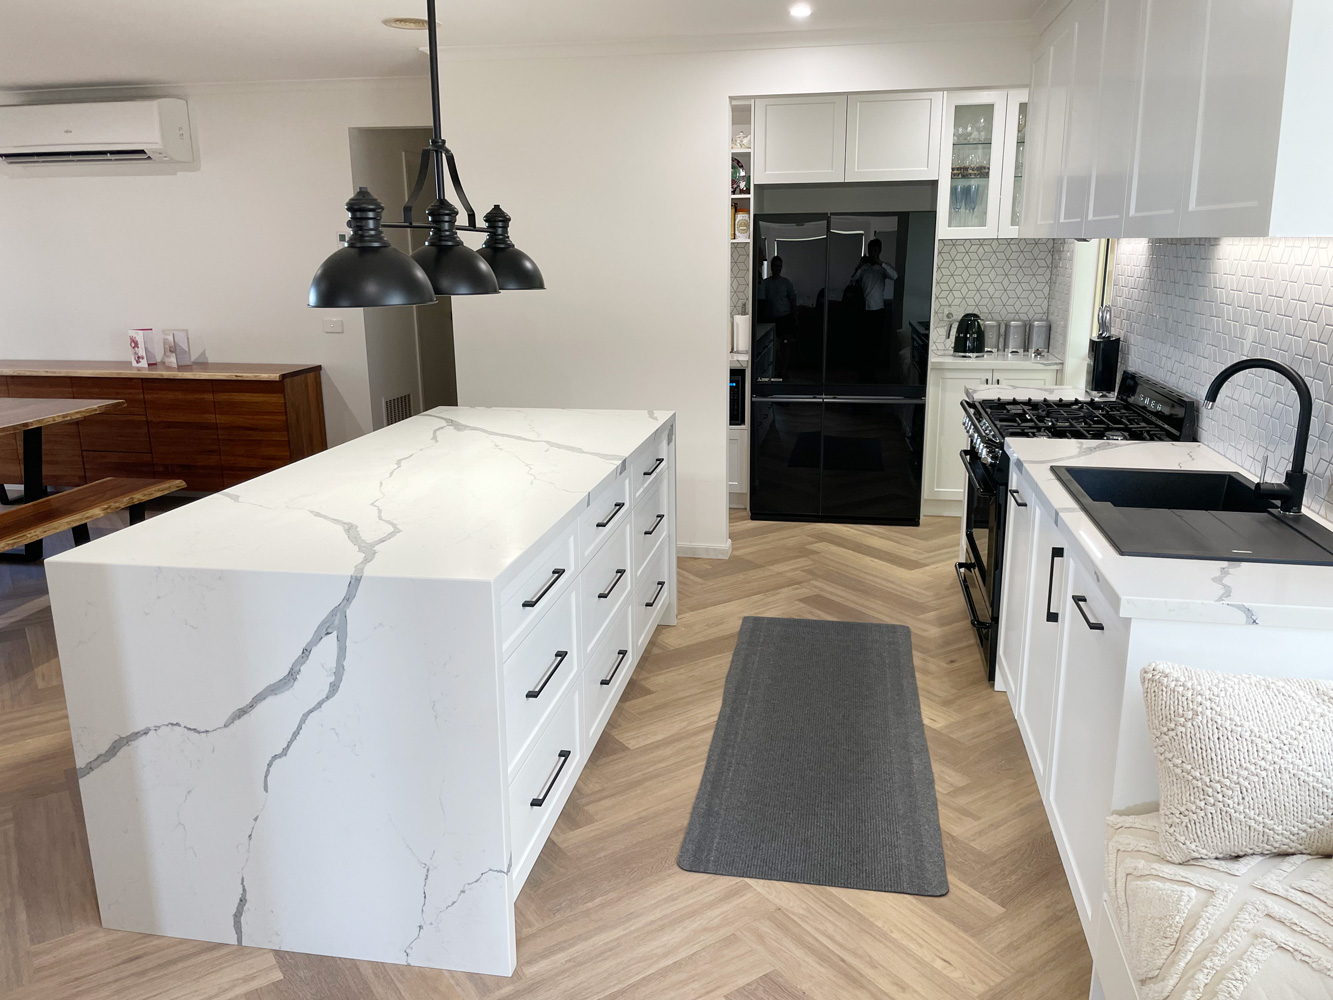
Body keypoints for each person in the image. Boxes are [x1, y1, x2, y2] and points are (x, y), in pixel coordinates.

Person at [849, 239, 899, 381]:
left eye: (875, 250)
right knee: (862, 343)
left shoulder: (883, 268)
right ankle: (862, 373)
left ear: (879, 251)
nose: (872, 253)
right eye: (871, 250)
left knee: (875, 343)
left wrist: (879, 262)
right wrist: (860, 265)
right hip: (863, 311)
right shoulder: (864, 268)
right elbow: (852, 281)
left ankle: (872, 373)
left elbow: (895, 276)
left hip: (877, 311)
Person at [758, 256, 800, 376]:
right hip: (771, 319)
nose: (777, 268)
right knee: (773, 346)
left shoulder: (786, 283)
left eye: (779, 266)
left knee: (786, 345)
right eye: (775, 266)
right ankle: (774, 369)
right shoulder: (765, 283)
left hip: (785, 318)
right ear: (771, 267)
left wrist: (795, 316)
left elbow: (793, 300)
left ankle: (783, 370)